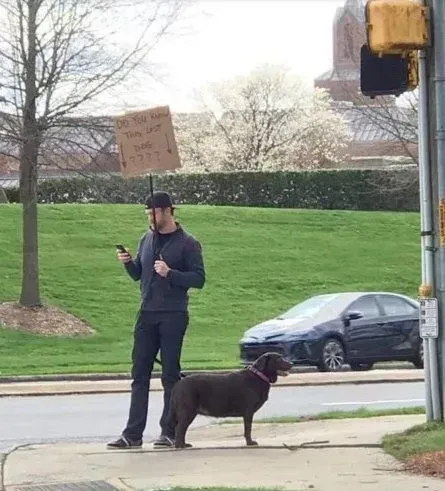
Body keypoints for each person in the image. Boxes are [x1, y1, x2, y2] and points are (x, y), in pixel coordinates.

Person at [107, 191, 205, 449]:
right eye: (147, 214)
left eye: (153, 213)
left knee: (170, 374)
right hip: (146, 313)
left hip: (173, 314)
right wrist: (128, 263)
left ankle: (169, 431)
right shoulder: (146, 239)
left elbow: (198, 279)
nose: (150, 218)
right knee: (139, 374)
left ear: (167, 211)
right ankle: (132, 434)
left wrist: (171, 273)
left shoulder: (188, 243)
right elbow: (139, 274)